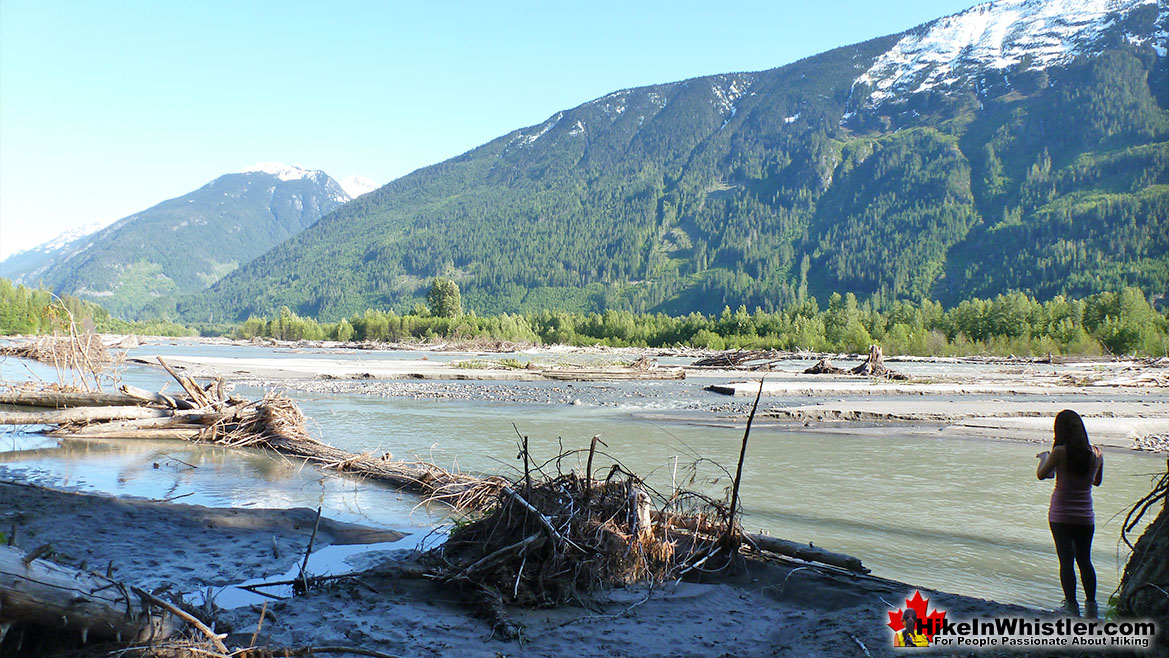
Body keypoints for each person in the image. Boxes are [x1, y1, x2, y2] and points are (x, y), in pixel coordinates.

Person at [1036, 409, 1103, 618]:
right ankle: (1092, 607)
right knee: (1085, 560)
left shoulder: (1059, 452)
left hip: (1061, 514)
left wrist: (1044, 457)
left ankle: (1071, 606)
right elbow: (1097, 481)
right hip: (1085, 515)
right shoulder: (1096, 453)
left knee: (1066, 560)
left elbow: (1042, 474)